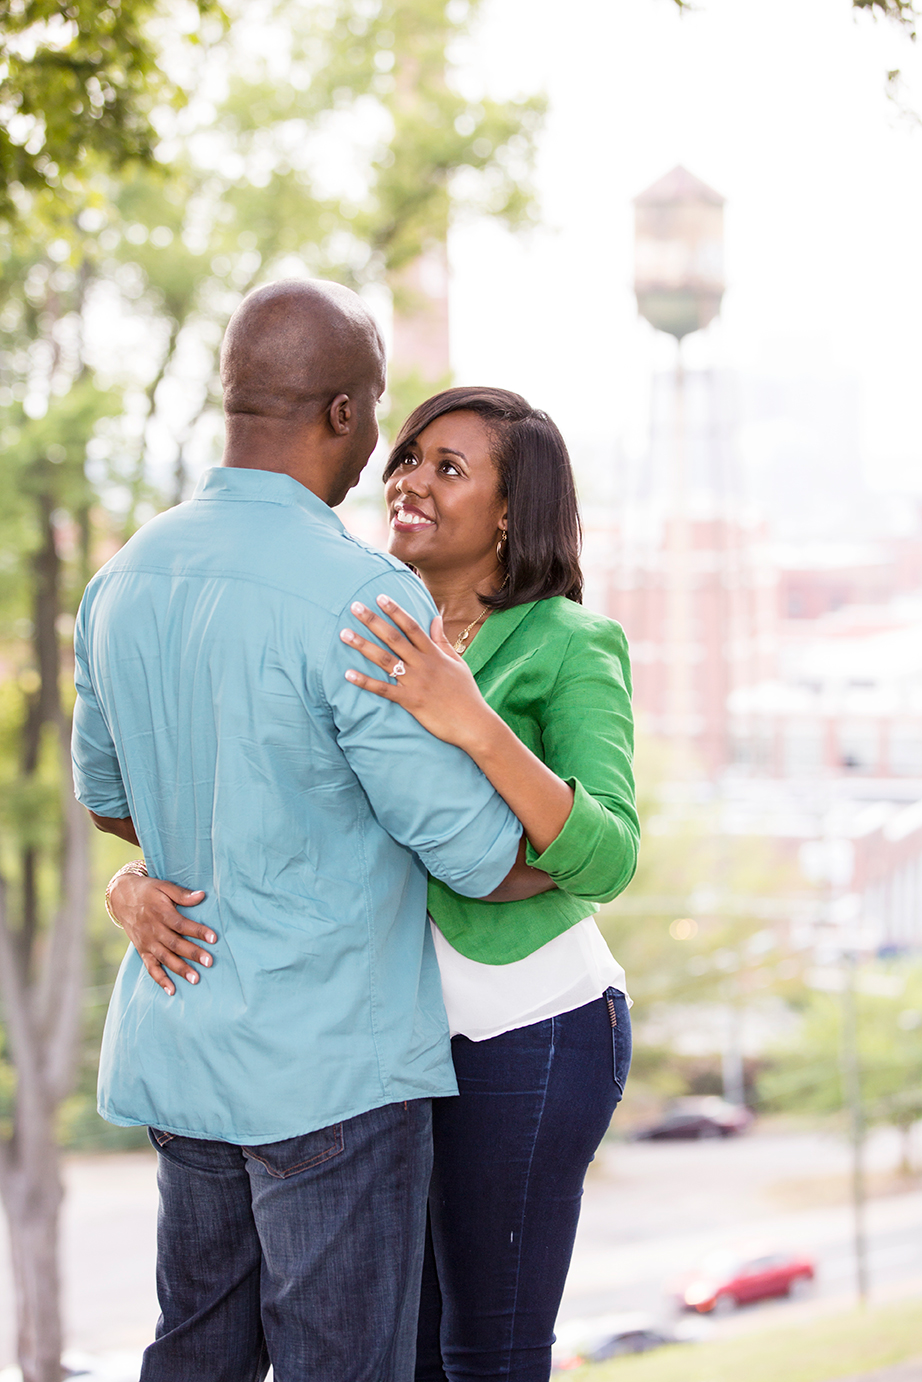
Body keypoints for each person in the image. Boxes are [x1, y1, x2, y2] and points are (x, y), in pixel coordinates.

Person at [110, 386, 640, 1382]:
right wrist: (131, 881)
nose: (409, 479)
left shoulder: (568, 642)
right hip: (380, 1048)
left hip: (525, 1026)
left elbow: (610, 852)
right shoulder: (359, 620)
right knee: (408, 1352)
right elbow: (285, 811)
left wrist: (470, 713)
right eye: (408, 456)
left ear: (509, 511)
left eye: (450, 466)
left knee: (484, 1350)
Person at [72, 287, 529, 1382]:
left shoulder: (121, 576)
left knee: (196, 1353)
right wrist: (573, 841)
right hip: (331, 1073)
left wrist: (185, 852)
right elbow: (472, 851)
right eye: (374, 411)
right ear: (339, 413)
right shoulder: (364, 595)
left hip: (186, 1052)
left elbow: (108, 797)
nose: (381, 442)